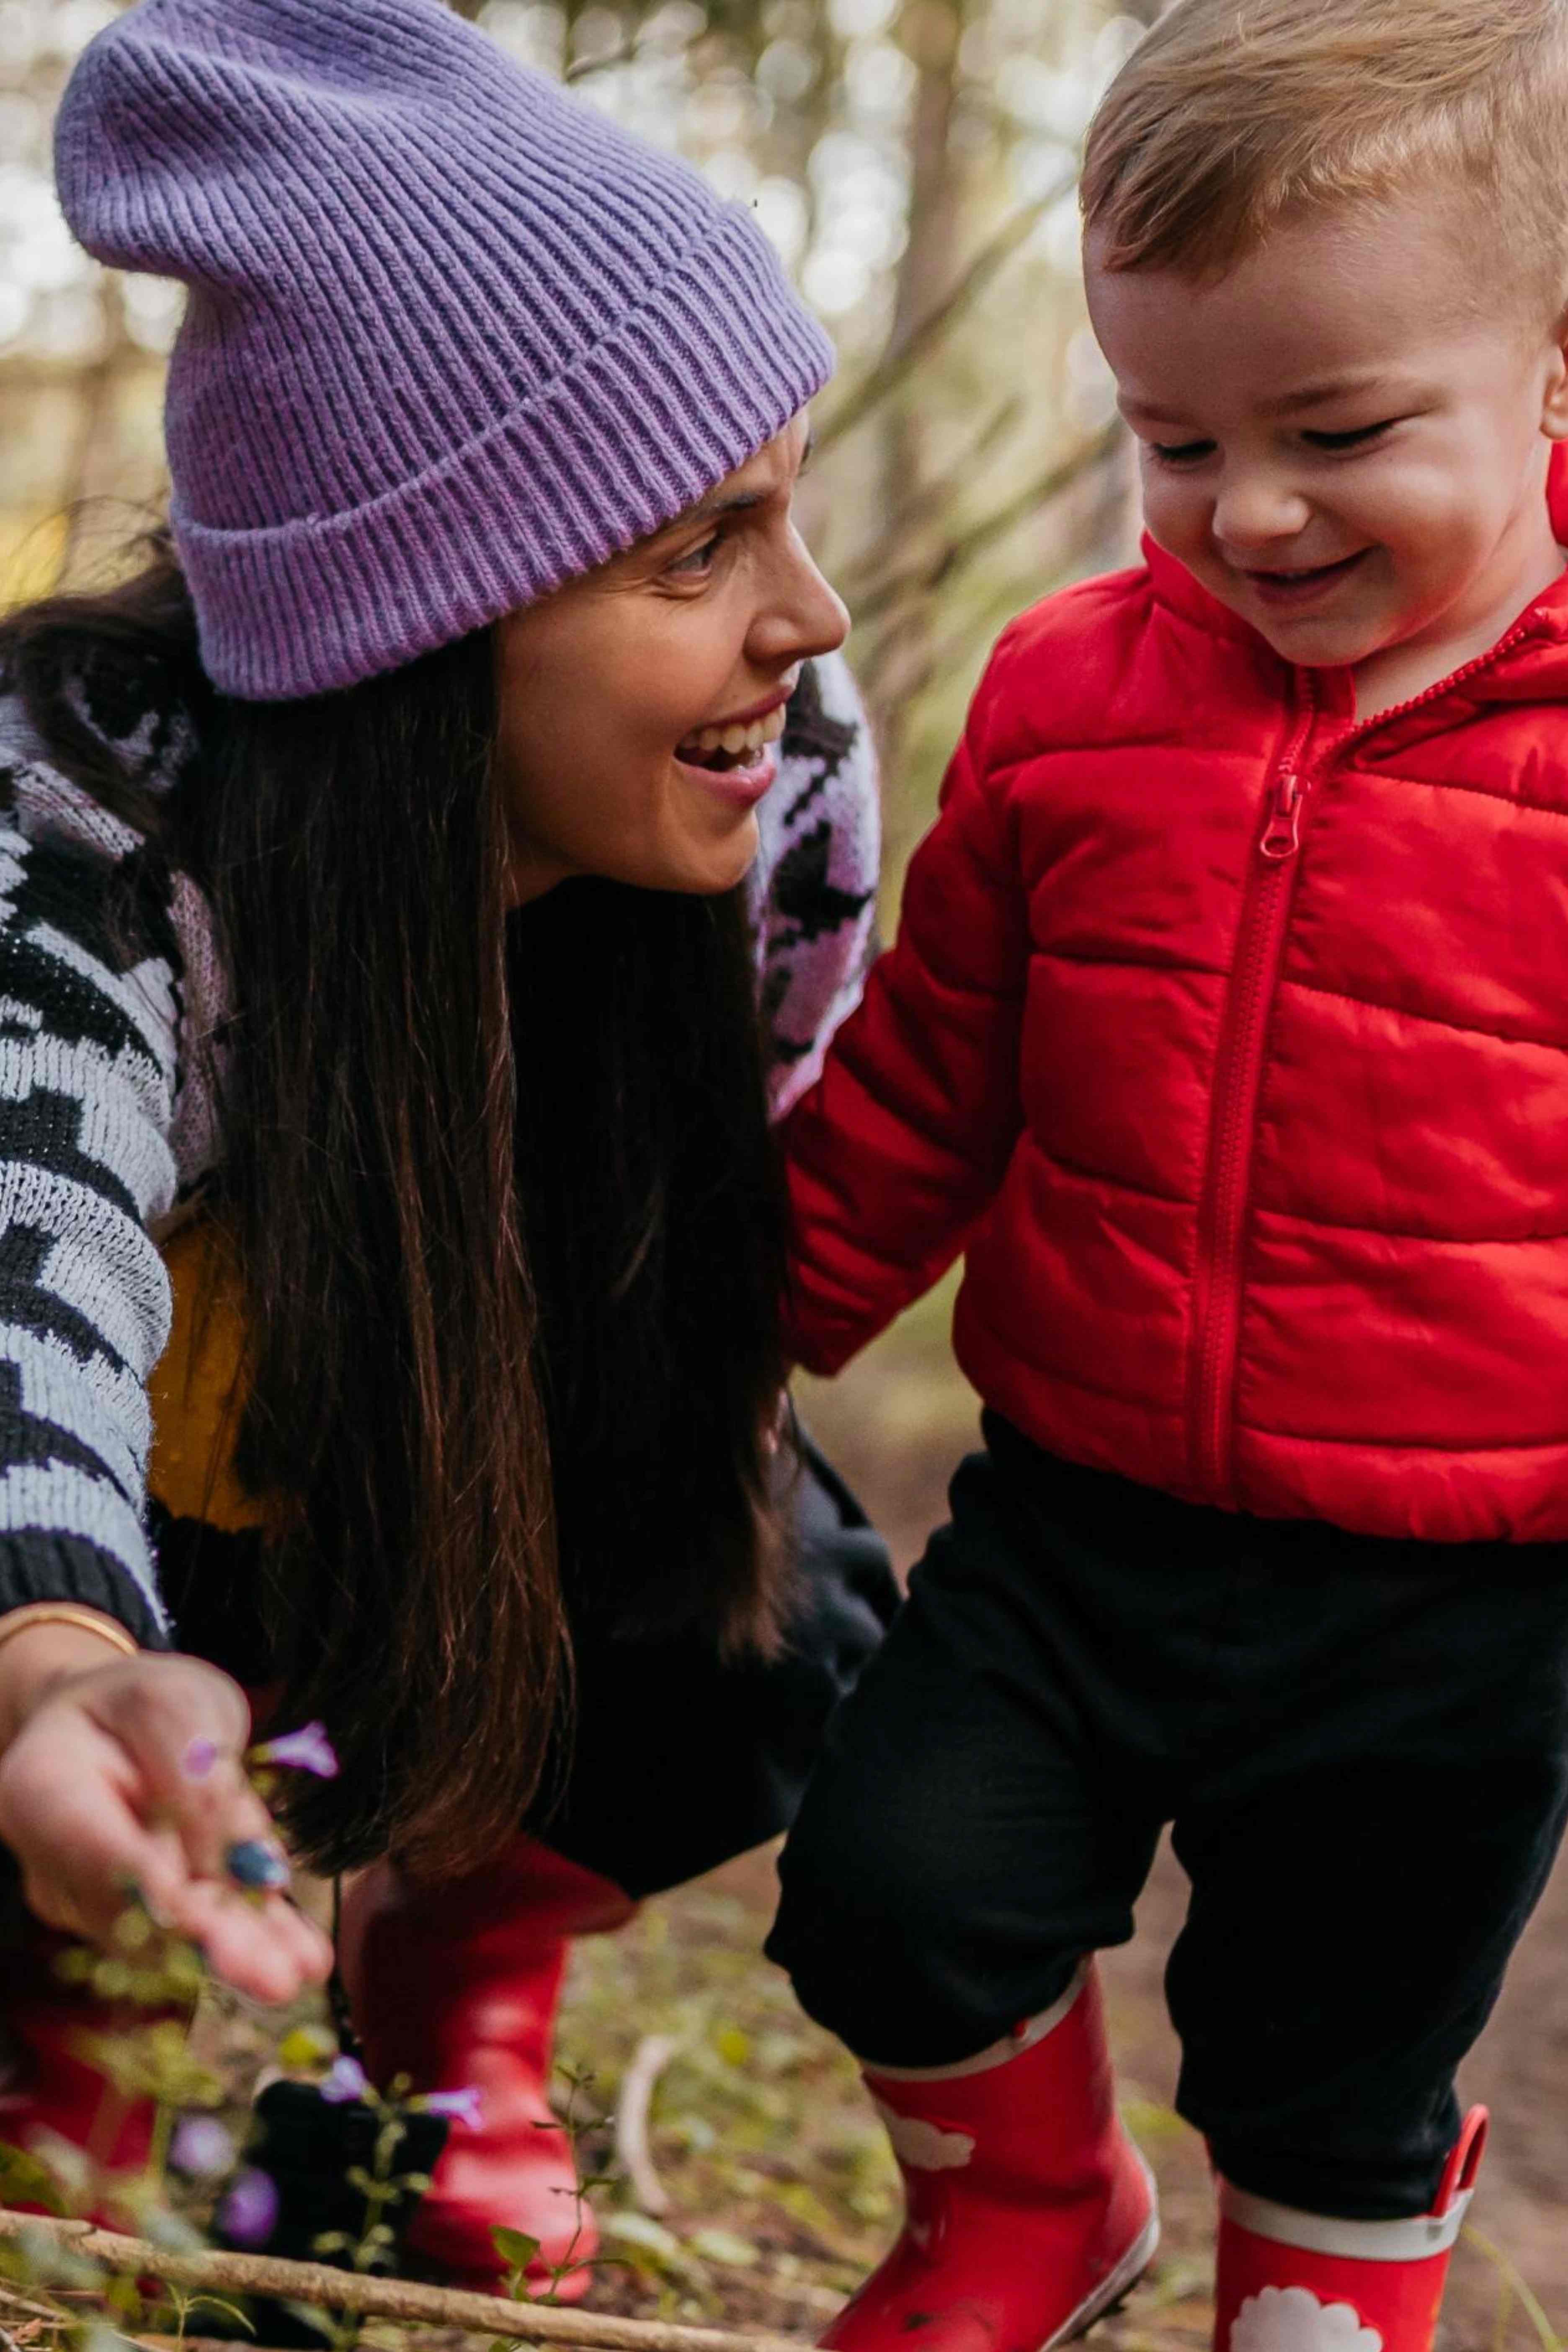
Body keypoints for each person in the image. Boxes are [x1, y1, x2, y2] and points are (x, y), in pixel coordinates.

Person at [0, 0, 897, 2296]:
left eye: (786, 512)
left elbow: (724, 1221)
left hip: (411, 1456)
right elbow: (32, 1293)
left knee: (767, 1574)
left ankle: (459, 1983)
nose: (805, 617)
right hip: (128, 1546)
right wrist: (57, 1678)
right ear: (423, 621)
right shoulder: (84, 843)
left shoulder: (780, 785)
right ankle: (80, 1983)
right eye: (706, 543)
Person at [766, 2, 1568, 2347]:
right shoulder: (1068, 699)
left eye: (1338, 433)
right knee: (894, 1893)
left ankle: (1315, 2303)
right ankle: (1026, 2210)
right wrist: (743, 1324)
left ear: (1546, 366)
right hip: (1083, 1516)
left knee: (1342, 2054)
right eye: (1176, 437)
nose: (1255, 512)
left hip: (1463, 1588)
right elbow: (929, 1075)